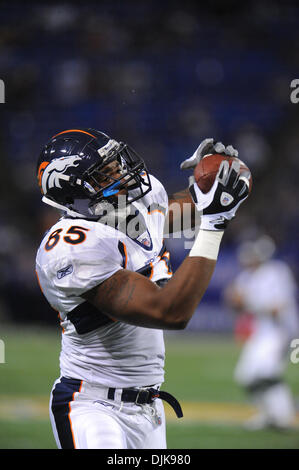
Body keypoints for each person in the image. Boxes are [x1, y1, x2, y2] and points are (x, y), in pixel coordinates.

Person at [35, 128, 249, 449]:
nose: (122, 173)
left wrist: (226, 175)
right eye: (105, 173)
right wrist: (215, 222)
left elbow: (201, 207)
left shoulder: (137, 202)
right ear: (70, 190)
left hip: (149, 408)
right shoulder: (71, 247)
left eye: (117, 163)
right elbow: (170, 311)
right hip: (92, 405)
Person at [224, 235, 299, 430]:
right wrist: (234, 301)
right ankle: (269, 414)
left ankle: (283, 416)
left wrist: (246, 301)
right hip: (262, 332)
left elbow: (277, 308)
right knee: (245, 375)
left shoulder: (276, 272)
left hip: (280, 330)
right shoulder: (246, 277)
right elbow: (235, 303)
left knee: (266, 371)